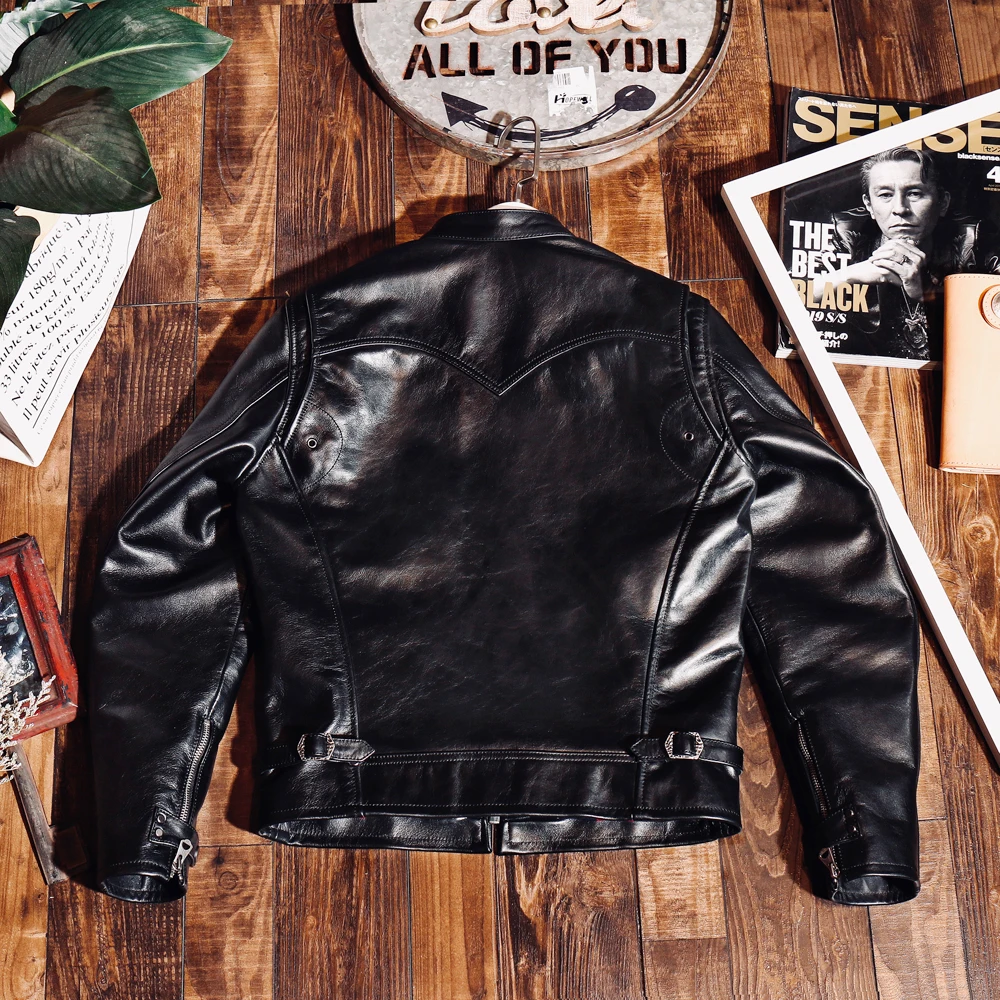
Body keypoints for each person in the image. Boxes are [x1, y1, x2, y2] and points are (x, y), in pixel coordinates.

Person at [827, 146, 980, 360]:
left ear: (943, 203)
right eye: (885, 195)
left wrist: (929, 294)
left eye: (914, 193)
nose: (900, 208)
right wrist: (850, 274)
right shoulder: (844, 239)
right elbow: (791, 297)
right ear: (869, 205)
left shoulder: (972, 244)